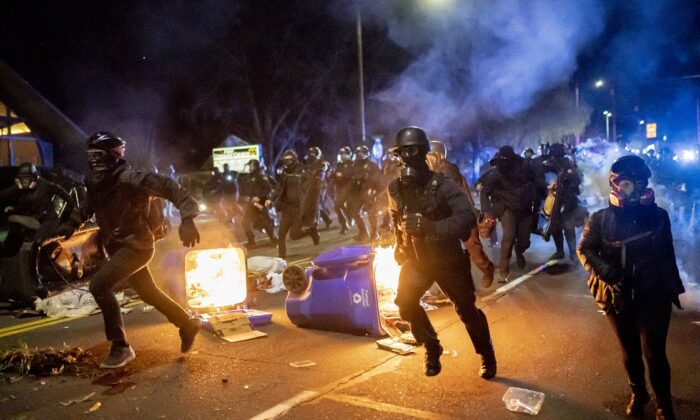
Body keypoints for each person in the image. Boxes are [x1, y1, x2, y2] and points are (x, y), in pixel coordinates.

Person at [63, 131, 203, 369]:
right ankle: (187, 324)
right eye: (90, 155)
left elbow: (172, 188)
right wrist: (71, 222)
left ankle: (121, 347)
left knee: (99, 285)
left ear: (112, 156)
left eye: (98, 155)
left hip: (137, 246)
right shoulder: (96, 182)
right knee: (149, 293)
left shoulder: (132, 179)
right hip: (118, 247)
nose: (94, 160)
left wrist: (188, 218)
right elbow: (89, 204)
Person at [578, 155, 684, 420]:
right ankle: (639, 393)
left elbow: (667, 253)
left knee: (654, 352)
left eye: (640, 182)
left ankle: (663, 402)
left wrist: (674, 287)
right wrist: (607, 272)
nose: (634, 189)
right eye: (628, 183)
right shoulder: (600, 219)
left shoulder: (659, 216)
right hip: (618, 296)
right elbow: (585, 250)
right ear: (615, 186)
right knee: (630, 353)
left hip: (654, 294)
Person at [388, 126, 496, 378]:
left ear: (425, 152)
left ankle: (486, 354)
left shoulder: (443, 185)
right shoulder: (396, 188)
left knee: (467, 311)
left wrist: (430, 227)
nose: (406, 158)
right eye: (402, 153)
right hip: (417, 260)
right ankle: (432, 345)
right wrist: (400, 244)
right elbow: (396, 218)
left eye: (412, 151)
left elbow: (467, 216)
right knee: (405, 303)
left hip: (447, 258)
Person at [427, 140, 495, 287]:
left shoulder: (448, 171)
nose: (427, 159)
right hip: (447, 219)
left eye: (430, 156)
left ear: (439, 155)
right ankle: (449, 288)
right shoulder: (432, 172)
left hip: (464, 215)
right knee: (443, 253)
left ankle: (488, 269)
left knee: (474, 249)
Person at [479, 145, 536, 283]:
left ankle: (520, 251)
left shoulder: (524, 167)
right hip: (506, 208)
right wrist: (487, 211)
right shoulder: (496, 172)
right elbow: (484, 191)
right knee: (508, 237)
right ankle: (503, 271)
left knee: (524, 241)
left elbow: (534, 181)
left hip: (524, 207)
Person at [0, 162, 77, 246]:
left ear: (34, 178)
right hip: (31, 217)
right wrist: (15, 209)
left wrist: (73, 207)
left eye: (26, 178)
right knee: (12, 229)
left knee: (37, 242)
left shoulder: (45, 185)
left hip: (46, 220)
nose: (24, 181)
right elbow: (4, 193)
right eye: (21, 178)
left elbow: (63, 193)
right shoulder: (20, 187)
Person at [274, 150, 320, 259]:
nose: (287, 163)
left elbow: (310, 188)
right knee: (281, 234)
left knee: (294, 235)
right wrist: (272, 198)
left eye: (289, 160)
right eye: (285, 161)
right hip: (287, 208)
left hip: (299, 209)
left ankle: (311, 231)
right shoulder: (284, 173)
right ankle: (282, 258)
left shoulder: (303, 171)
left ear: (294, 160)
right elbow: (279, 188)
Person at [543, 143, 584, 261]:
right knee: (555, 227)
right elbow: (545, 174)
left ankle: (573, 253)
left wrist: (566, 177)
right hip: (555, 199)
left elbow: (576, 179)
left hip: (567, 199)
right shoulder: (550, 163)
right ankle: (560, 251)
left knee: (568, 226)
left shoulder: (568, 163)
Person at [238, 159, 277, 248]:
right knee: (244, 221)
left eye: (250, 166)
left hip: (262, 202)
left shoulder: (261, 176)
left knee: (266, 222)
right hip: (252, 202)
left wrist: (259, 197)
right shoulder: (249, 176)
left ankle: (274, 240)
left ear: (255, 166)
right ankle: (251, 241)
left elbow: (268, 188)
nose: (249, 168)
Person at [348, 145, 381, 241]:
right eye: (358, 153)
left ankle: (375, 233)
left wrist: (374, 191)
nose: (360, 154)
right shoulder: (355, 165)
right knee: (355, 213)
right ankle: (363, 232)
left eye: (362, 152)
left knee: (371, 213)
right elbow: (351, 178)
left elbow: (378, 179)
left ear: (367, 154)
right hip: (358, 193)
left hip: (369, 192)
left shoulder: (372, 165)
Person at [301, 146, 332, 230]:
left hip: (320, 186)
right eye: (310, 153)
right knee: (315, 205)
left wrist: (319, 171)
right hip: (311, 186)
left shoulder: (322, 163)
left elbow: (326, 168)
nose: (311, 155)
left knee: (316, 204)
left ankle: (315, 224)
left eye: (313, 153)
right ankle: (327, 220)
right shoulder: (309, 164)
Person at [330, 146, 354, 234]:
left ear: (348, 155)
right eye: (341, 154)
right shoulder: (339, 164)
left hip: (350, 189)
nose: (342, 156)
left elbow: (350, 175)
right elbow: (336, 174)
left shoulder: (352, 164)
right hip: (340, 189)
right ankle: (345, 223)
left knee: (345, 207)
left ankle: (347, 222)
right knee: (338, 207)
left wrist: (341, 174)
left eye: (344, 154)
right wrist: (332, 175)